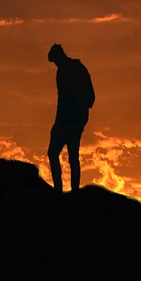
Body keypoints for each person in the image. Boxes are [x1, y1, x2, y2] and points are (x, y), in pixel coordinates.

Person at [47, 43, 95, 191]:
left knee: (53, 153)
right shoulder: (80, 67)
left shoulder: (63, 72)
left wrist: (59, 122)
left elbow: (63, 100)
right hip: (79, 119)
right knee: (73, 155)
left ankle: (59, 190)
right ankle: (74, 191)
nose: (55, 64)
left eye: (55, 61)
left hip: (68, 119)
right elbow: (91, 97)